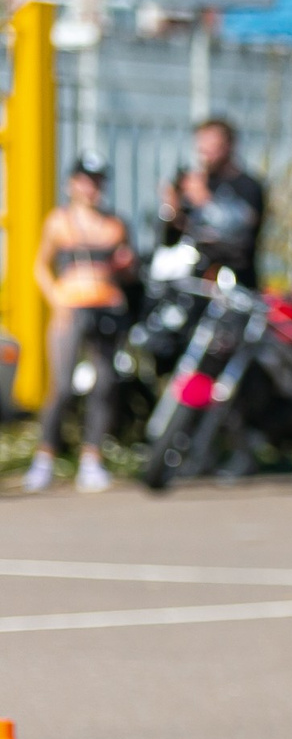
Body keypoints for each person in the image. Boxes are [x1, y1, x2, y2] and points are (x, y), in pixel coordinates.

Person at [22, 154, 135, 494]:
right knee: (63, 385)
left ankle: (91, 457)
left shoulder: (115, 224)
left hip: (107, 307)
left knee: (104, 383)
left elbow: (128, 272)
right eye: (86, 179)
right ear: (73, 183)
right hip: (71, 309)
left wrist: (126, 266)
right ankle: (45, 457)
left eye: (98, 180)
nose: (92, 187)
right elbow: (40, 265)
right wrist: (55, 297)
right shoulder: (59, 221)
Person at [158, 116, 267, 287]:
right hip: (193, 281)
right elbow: (170, 238)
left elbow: (242, 230)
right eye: (200, 143)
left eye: (211, 143)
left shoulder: (247, 186)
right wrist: (173, 209)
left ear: (228, 145)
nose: (204, 150)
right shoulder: (193, 181)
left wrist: (205, 201)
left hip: (234, 282)